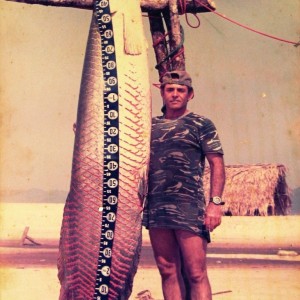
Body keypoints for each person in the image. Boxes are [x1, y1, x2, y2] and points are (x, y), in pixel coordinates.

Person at [142, 70, 225, 300]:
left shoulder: (201, 124)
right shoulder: (149, 126)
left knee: (196, 273)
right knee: (167, 270)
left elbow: (217, 164)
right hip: (157, 207)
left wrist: (215, 204)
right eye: (170, 90)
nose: (175, 94)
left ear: (190, 95)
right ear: (162, 92)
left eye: (181, 90)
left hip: (189, 207)